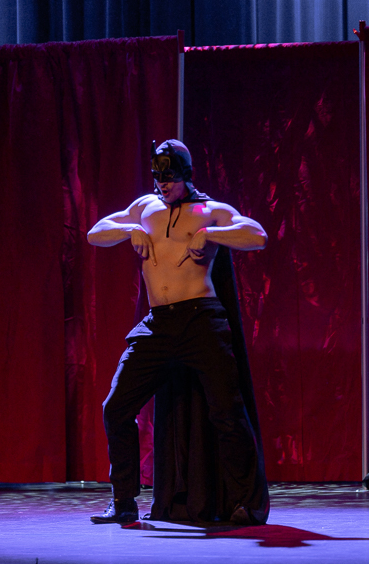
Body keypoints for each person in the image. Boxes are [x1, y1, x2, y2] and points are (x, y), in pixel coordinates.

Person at [86, 139, 270, 526]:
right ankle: (123, 500)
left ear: (186, 174)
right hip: (159, 324)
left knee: (227, 412)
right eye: (157, 177)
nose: (162, 184)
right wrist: (131, 229)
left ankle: (246, 503)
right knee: (115, 408)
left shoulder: (208, 210)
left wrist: (211, 234)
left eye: (169, 177)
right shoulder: (145, 207)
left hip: (201, 320)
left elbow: (257, 235)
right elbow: (95, 232)